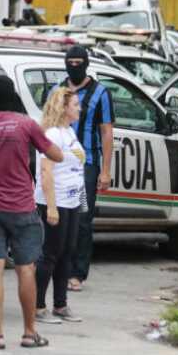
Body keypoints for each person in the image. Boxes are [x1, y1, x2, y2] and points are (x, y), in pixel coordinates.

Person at [0, 75, 63, 349]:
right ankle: (30, 333)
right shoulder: (26, 124)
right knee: (26, 268)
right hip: (22, 206)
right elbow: (57, 155)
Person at [59, 46, 114, 292]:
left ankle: (77, 273)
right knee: (58, 217)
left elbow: (106, 132)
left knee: (82, 217)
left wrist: (105, 171)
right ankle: (59, 269)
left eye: (79, 62)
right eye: (70, 62)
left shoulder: (100, 92)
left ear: (87, 64)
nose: (74, 66)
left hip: (87, 166)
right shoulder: (57, 90)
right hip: (60, 163)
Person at [34, 88, 84, 325]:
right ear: (63, 108)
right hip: (56, 201)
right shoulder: (53, 134)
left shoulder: (69, 132)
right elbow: (46, 172)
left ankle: (60, 304)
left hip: (72, 201)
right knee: (50, 254)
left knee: (67, 252)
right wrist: (52, 207)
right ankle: (38, 306)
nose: (79, 108)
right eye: (75, 105)